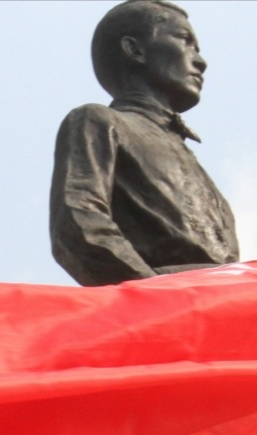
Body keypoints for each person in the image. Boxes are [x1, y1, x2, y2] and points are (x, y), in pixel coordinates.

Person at [49, 0, 240, 285]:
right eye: (184, 41)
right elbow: (80, 225)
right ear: (134, 49)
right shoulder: (99, 121)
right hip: (164, 302)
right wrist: (151, 291)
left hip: (222, 306)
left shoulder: (188, 155)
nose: (200, 61)